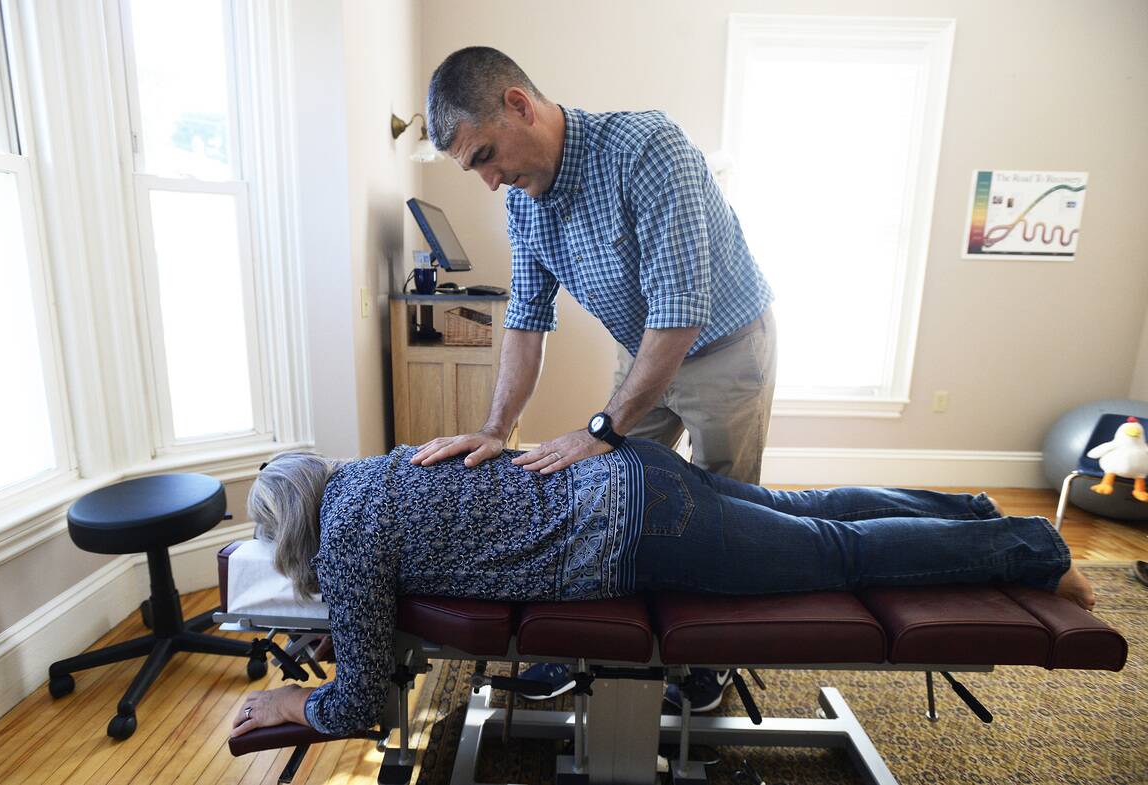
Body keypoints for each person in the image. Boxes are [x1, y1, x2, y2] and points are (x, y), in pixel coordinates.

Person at [230, 444, 1094, 740]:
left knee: (835, 553)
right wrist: (348, 629)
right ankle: (975, 512)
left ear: (294, 534)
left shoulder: (346, 544)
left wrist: (289, 703)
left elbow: (355, 706)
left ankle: (1032, 549)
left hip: (643, 531)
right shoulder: (377, 467)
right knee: (813, 508)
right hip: (634, 471)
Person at [414, 44, 776, 708]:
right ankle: (593, 641)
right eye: (474, 169)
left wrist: (602, 428)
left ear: (519, 105)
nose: (489, 181)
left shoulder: (646, 150)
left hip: (723, 347)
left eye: (486, 155)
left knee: (726, 509)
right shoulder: (523, 204)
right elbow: (526, 320)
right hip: (644, 347)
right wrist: (496, 429)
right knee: (606, 493)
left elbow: (681, 313)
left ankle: (713, 657)